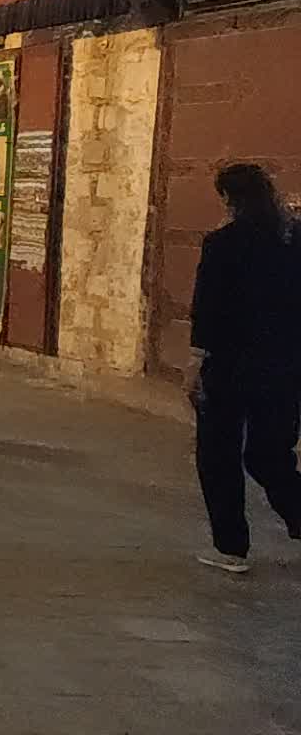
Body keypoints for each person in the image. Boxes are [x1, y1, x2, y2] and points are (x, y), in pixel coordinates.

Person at [189, 163, 301, 574]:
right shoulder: (294, 240)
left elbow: (208, 308)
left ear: (228, 199)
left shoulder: (222, 244)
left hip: (228, 364)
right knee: (270, 454)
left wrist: (195, 361)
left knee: (218, 454)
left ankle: (231, 547)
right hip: (283, 365)